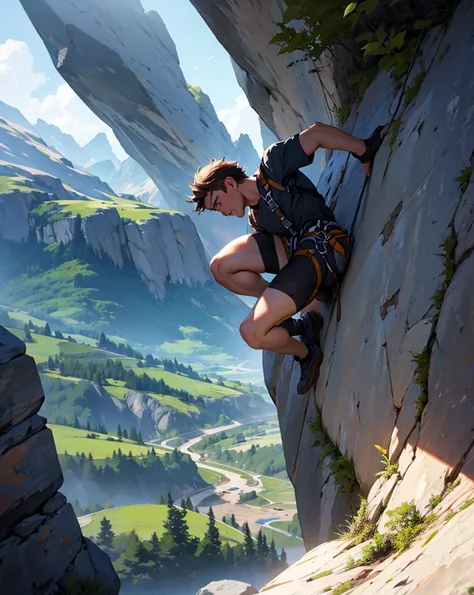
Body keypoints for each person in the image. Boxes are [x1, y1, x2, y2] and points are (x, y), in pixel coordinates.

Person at [188, 122, 387, 394]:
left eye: (218, 204)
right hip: (299, 256)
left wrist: (363, 149)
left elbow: (315, 134)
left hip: (324, 246)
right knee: (219, 267)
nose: (221, 212)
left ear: (231, 183)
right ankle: (295, 322)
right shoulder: (256, 217)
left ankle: (306, 353)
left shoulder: (272, 166)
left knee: (252, 332)